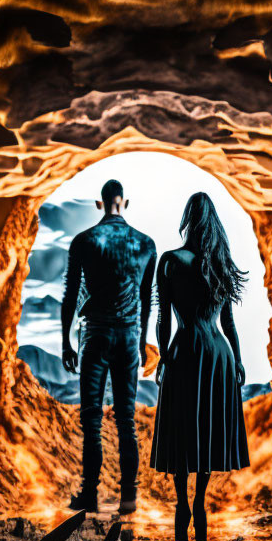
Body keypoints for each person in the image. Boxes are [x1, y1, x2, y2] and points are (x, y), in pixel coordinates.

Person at [150, 192, 250, 541]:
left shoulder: (170, 261)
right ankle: (200, 500)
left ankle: (181, 503)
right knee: (206, 428)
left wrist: (163, 356)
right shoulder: (219, 262)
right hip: (218, 354)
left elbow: (163, 319)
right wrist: (237, 360)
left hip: (185, 349)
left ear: (188, 218)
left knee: (181, 425)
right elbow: (230, 322)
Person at [61, 179, 156, 514]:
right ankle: (128, 498)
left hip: (95, 335)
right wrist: (143, 342)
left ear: (100, 204)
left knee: (92, 419)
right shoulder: (146, 244)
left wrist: (64, 342)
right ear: (124, 203)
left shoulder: (84, 241)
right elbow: (146, 301)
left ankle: (90, 495)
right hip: (130, 336)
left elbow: (70, 295)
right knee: (126, 420)